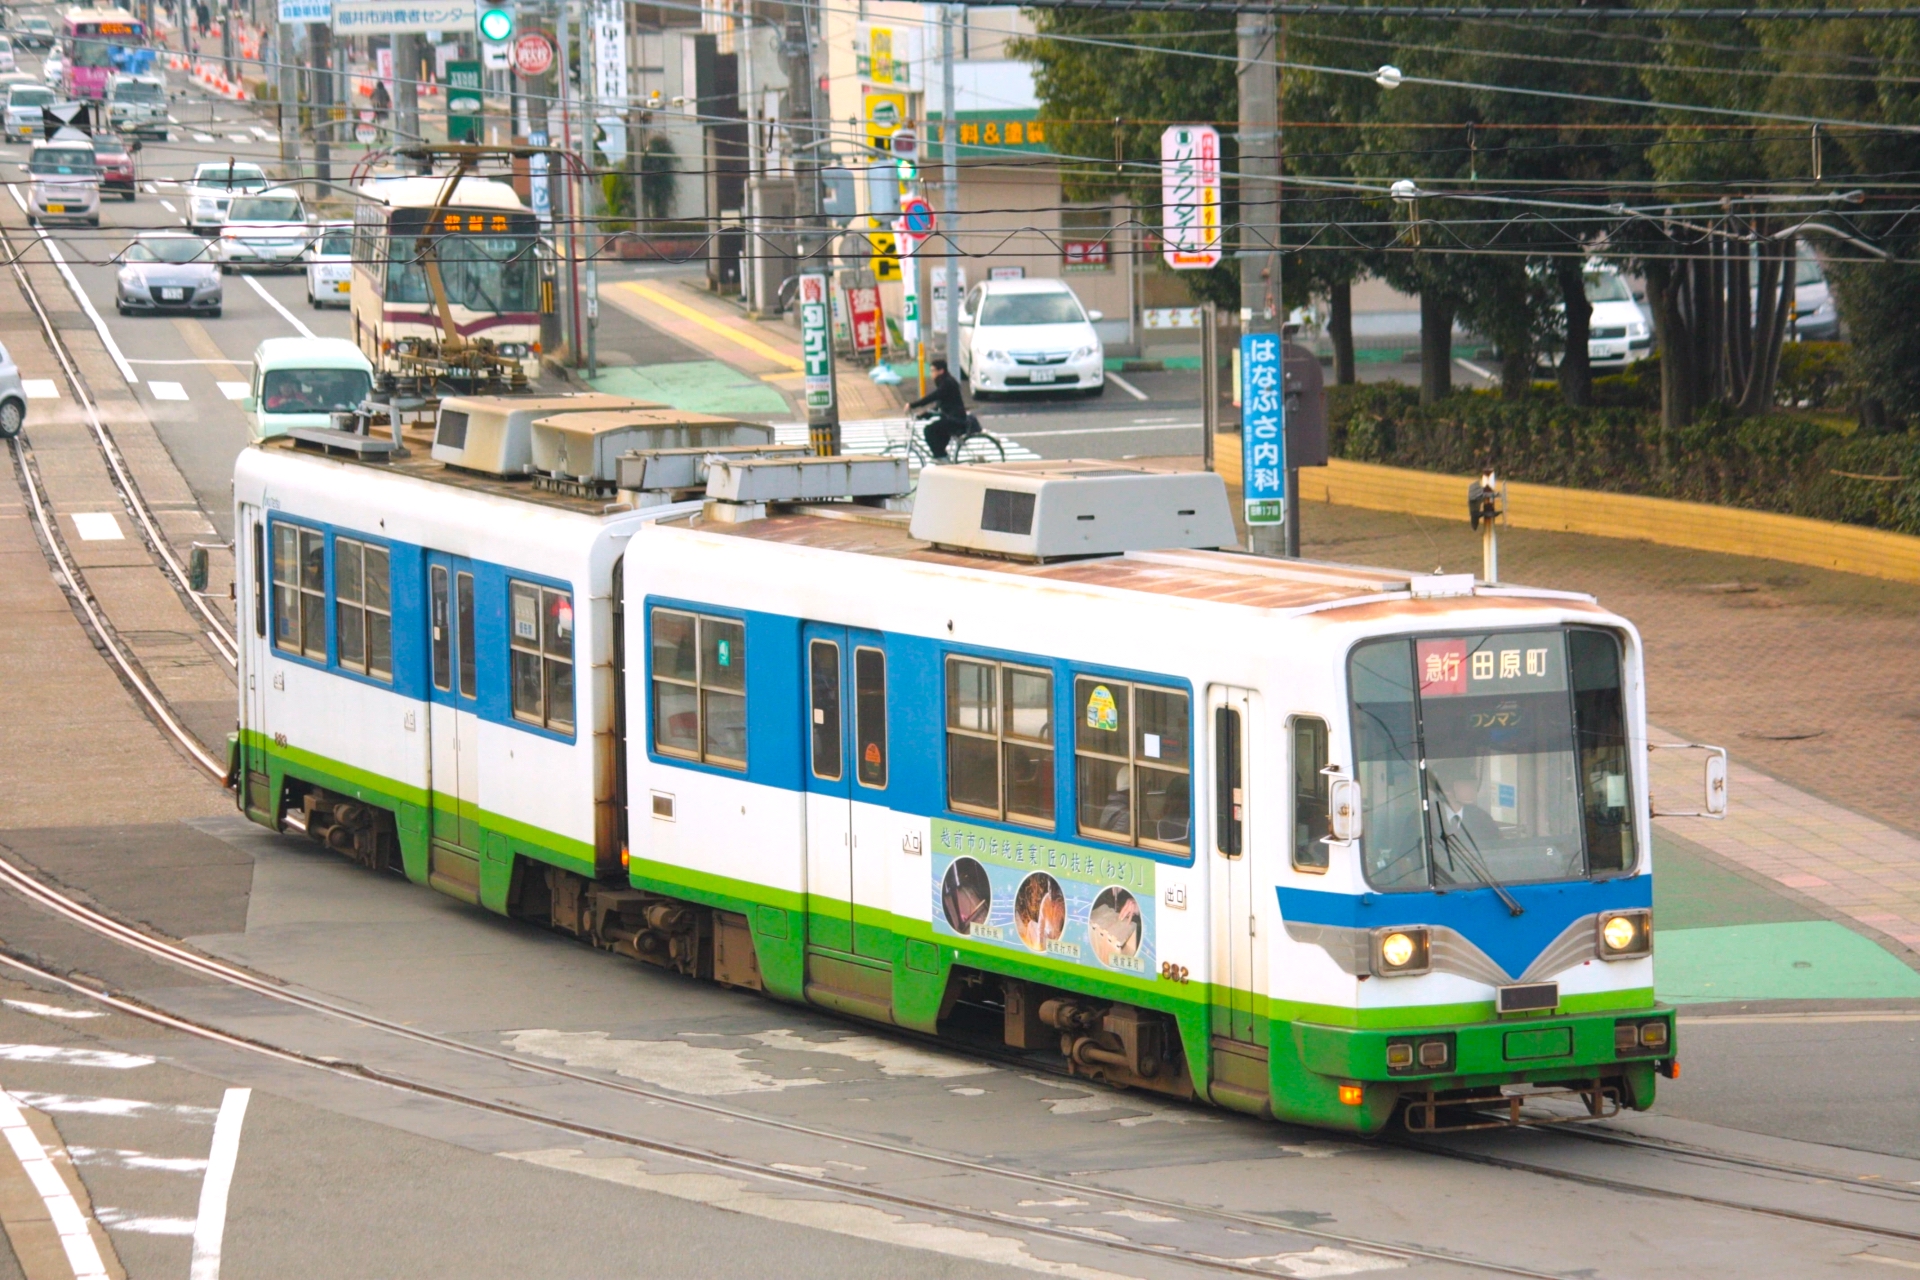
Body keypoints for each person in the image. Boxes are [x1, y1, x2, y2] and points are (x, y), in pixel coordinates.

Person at [908, 357, 969, 461]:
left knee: (929, 431)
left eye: (933, 371)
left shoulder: (947, 383)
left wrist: (912, 405)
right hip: (951, 418)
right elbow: (939, 405)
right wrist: (925, 414)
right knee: (937, 437)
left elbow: (933, 396)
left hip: (956, 420)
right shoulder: (945, 382)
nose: (931, 374)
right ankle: (943, 459)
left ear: (941, 371)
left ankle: (941, 459)